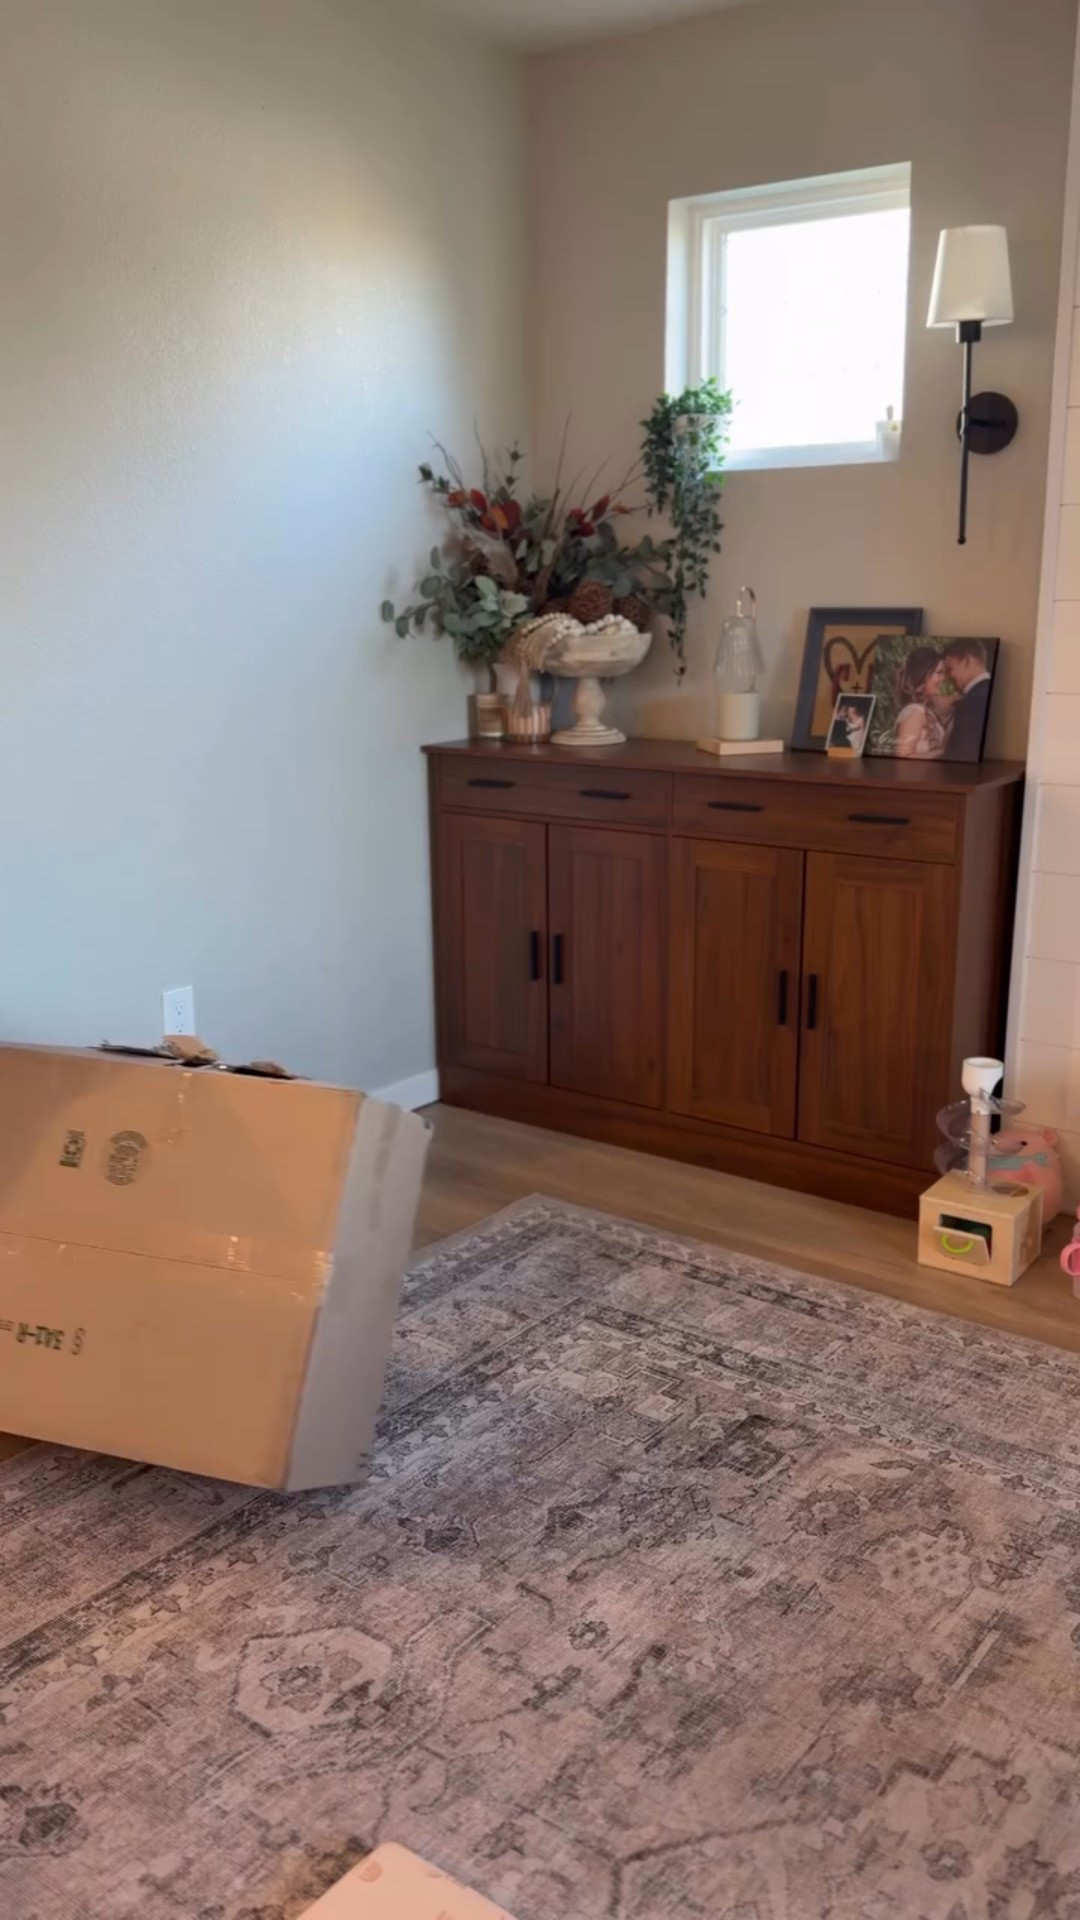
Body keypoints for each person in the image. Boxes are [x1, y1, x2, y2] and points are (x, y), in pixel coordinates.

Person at [893, 648, 955, 759]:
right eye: (939, 672)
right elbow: (902, 758)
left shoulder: (924, 709)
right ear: (923, 675)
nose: (943, 679)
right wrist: (942, 751)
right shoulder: (915, 711)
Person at [941, 639, 993, 761]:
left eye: (949, 669)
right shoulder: (992, 691)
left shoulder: (972, 702)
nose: (947, 678)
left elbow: (963, 754)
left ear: (966, 661)